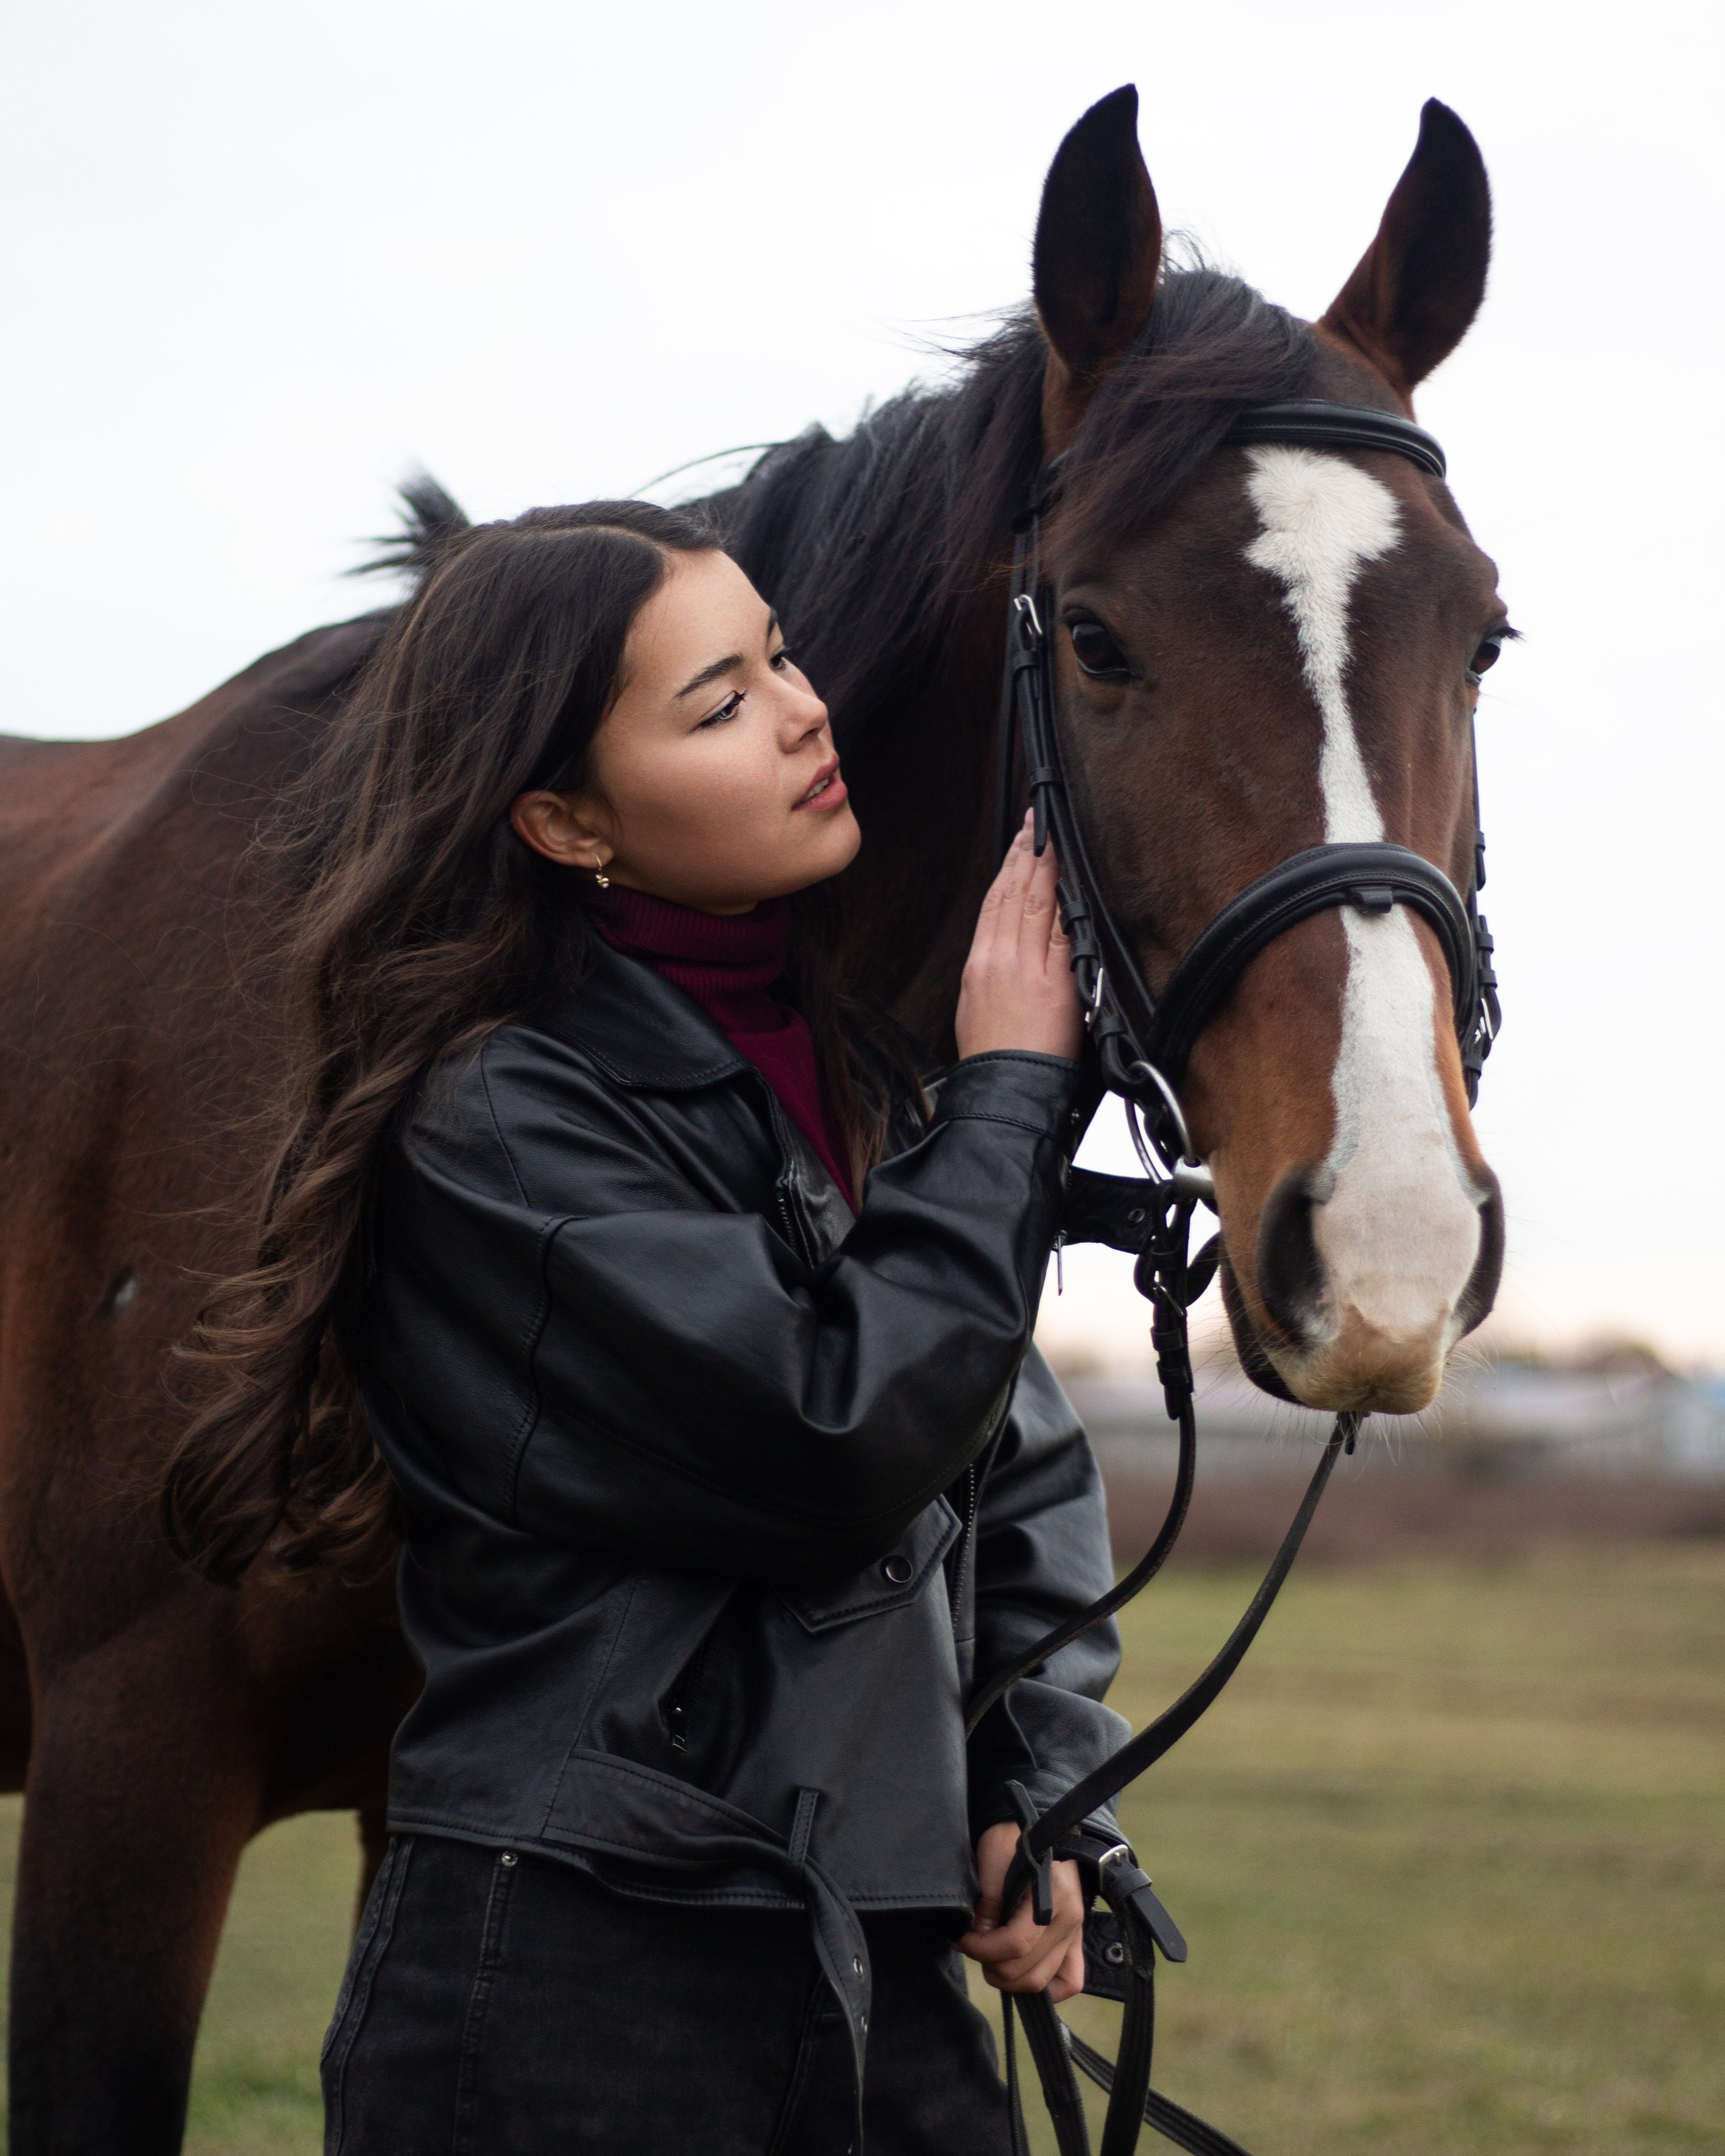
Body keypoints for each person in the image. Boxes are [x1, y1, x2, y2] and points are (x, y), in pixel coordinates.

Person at [164, 499, 1127, 2155]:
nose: (804, 708)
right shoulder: (494, 1120)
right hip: (578, 1982)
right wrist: (1013, 1092)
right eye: (720, 702)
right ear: (562, 820)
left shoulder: (860, 1078)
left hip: (881, 1973)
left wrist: (1032, 1783)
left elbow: (1006, 1454)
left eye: (779, 657)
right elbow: (837, 1433)